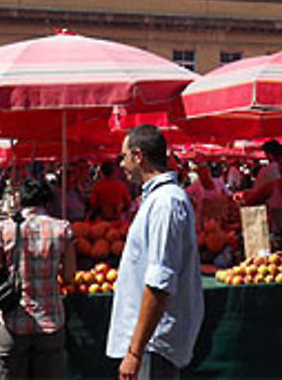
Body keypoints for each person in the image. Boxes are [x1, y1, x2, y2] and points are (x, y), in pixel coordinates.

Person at [107, 125, 203, 380]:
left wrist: (135, 352)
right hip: (150, 341)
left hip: (155, 343)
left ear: (138, 156)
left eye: (123, 157)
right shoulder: (159, 200)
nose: (122, 164)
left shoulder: (166, 203)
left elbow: (160, 281)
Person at [0, 177, 75, 380]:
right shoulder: (63, 229)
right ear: (47, 201)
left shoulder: (5, 228)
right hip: (51, 320)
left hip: (14, 321)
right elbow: (69, 276)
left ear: (21, 200)